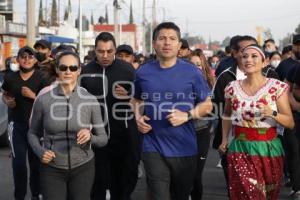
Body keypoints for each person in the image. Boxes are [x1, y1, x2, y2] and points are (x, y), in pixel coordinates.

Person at [131, 22, 212, 200]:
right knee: (159, 194)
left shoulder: (192, 72)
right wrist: (137, 118)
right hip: (152, 144)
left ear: (178, 44)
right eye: (162, 38)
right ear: (154, 43)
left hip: (184, 146)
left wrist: (187, 115)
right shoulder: (143, 72)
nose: (167, 43)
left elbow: (207, 105)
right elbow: (135, 99)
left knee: (180, 195)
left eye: (172, 39)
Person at [27, 51, 108, 200]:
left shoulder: (90, 100)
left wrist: (90, 137)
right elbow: (32, 133)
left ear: (79, 70)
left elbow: (103, 138)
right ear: (57, 69)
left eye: (72, 68)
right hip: (52, 167)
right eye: (63, 67)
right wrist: (40, 151)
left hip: (83, 166)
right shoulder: (43, 99)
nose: (68, 71)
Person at [219, 44, 294, 200]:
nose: (248, 60)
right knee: (249, 194)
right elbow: (226, 115)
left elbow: (290, 122)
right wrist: (225, 139)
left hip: (269, 148)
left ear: (264, 61)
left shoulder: (277, 87)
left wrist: (272, 113)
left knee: (268, 195)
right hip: (240, 147)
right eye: (244, 56)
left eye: (254, 56)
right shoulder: (232, 88)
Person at [80, 32, 140, 200]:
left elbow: (142, 99)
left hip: (123, 135)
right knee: (97, 183)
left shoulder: (127, 69)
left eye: (109, 51)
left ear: (114, 49)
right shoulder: (86, 72)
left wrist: (129, 96)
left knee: (123, 181)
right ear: (94, 51)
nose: (105, 55)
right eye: (100, 51)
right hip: (96, 137)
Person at [1, 46, 48, 200]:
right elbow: (5, 95)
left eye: (30, 56)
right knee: (19, 163)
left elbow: (49, 102)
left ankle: (36, 194)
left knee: (36, 164)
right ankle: (19, 196)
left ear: (35, 59)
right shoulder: (10, 77)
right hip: (17, 126)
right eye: (23, 56)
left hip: (37, 127)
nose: (27, 59)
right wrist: (7, 101)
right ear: (18, 59)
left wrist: (33, 96)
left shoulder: (42, 77)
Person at [188, 50, 215, 200]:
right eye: (192, 64)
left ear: (204, 67)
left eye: (198, 64)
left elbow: (211, 109)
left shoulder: (209, 84)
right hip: (181, 132)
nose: (195, 68)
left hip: (201, 131)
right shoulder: (179, 83)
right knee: (182, 175)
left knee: (196, 175)